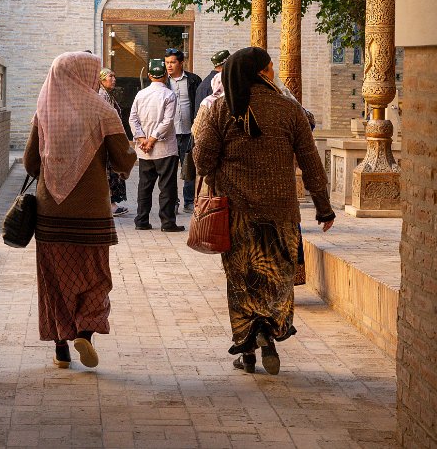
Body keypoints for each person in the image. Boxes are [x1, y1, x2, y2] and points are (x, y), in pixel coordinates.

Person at [193, 47, 335, 375]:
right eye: (270, 67)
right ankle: (268, 333)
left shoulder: (220, 109)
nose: (273, 72)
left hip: (236, 213)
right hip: (281, 212)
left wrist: (217, 169)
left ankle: (248, 349)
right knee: (275, 277)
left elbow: (202, 161)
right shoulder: (289, 109)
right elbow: (312, 162)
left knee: (242, 278)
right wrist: (324, 208)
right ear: (261, 72)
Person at [23, 51, 137, 369]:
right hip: (92, 214)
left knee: (54, 281)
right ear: (86, 74)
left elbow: (30, 163)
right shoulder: (102, 109)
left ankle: (61, 348)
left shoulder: (44, 110)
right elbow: (123, 159)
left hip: (50, 213)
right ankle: (85, 330)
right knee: (94, 277)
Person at [129, 59, 184, 232]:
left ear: (149, 75)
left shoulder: (140, 94)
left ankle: (141, 220)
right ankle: (167, 223)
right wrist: (153, 139)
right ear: (166, 74)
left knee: (144, 185)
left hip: (144, 150)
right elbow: (168, 121)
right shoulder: (169, 95)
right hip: (164, 148)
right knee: (167, 186)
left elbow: (132, 118)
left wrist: (141, 138)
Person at [164, 48, 202, 213]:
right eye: (167, 63)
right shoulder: (163, 81)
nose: (169, 66)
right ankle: (173, 202)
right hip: (169, 133)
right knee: (170, 169)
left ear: (181, 63)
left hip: (188, 131)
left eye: (172, 62)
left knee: (189, 168)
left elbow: (199, 103)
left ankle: (188, 201)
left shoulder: (193, 80)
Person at [99, 68, 128, 217]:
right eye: (110, 76)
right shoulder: (101, 96)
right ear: (102, 79)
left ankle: (111, 203)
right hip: (106, 141)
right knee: (108, 173)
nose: (114, 79)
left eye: (114, 76)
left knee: (113, 171)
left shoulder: (108, 95)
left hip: (111, 141)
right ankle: (110, 205)